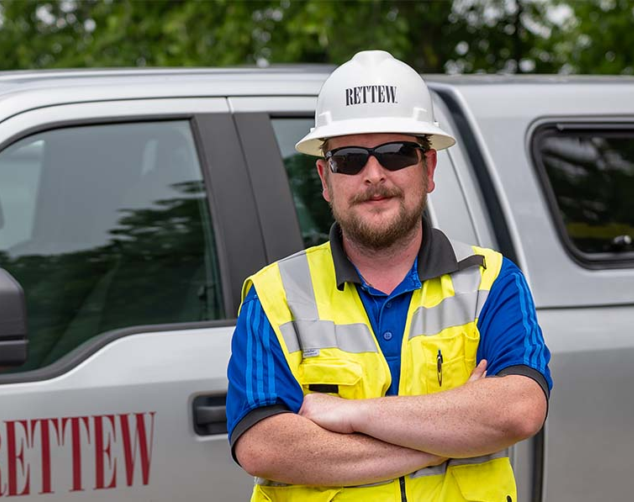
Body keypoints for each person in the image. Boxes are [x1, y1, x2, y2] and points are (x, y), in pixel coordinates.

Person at [225, 50, 552, 501]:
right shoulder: (274, 296)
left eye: (396, 154)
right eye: (349, 159)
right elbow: (264, 446)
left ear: (429, 168)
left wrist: (351, 414)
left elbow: (518, 410)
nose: (374, 175)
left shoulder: (491, 281)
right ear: (324, 178)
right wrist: (451, 433)